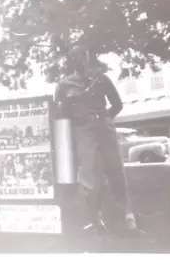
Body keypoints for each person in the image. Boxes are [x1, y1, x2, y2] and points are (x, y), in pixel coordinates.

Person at [54, 45, 137, 233]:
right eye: (75, 57)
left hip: (104, 129)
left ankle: (127, 215)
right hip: (83, 132)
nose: (80, 59)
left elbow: (117, 104)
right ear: (71, 61)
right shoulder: (64, 86)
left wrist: (105, 118)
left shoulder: (101, 79)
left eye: (83, 55)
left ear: (87, 57)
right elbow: (60, 114)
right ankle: (95, 220)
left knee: (116, 171)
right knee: (90, 178)